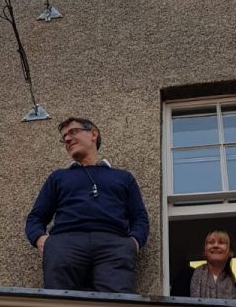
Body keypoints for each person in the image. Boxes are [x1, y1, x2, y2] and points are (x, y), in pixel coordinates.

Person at [25, 117, 149, 293]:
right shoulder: (58, 177)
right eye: (64, 137)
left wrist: (133, 243)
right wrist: (42, 241)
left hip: (113, 245)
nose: (67, 139)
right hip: (65, 243)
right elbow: (36, 217)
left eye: (73, 131)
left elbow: (140, 217)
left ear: (93, 134)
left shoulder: (123, 177)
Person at [190, 230, 236, 300]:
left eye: (221, 242)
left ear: (231, 252)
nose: (215, 245)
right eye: (211, 242)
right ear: (204, 252)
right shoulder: (187, 277)